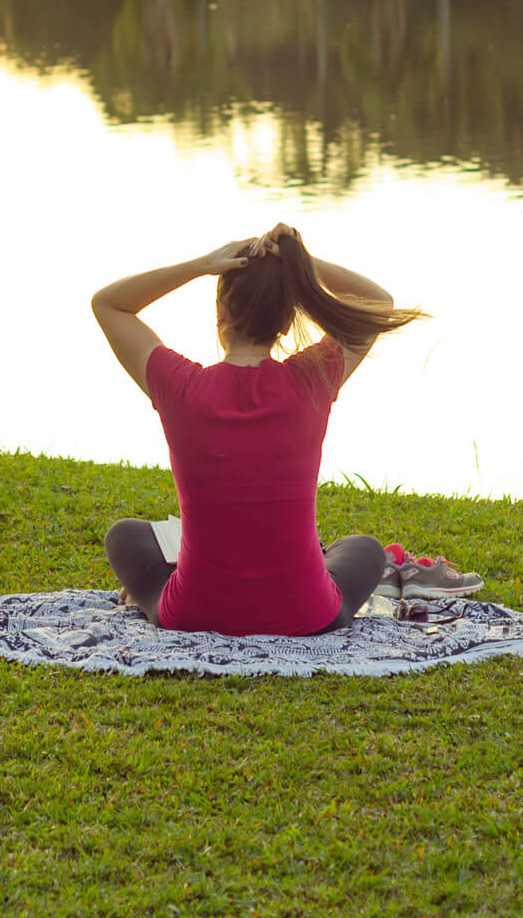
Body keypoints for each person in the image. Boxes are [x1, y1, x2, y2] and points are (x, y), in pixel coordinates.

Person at [93, 224, 436, 637]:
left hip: (194, 614)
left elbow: (109, 304)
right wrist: (299, 261)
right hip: (306, 615)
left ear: (220, 314)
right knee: (363, 548)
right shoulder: (313, 379)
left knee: (126, 535)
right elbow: (377, 301)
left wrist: (200, 266)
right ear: (288, 322)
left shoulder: (180, 386)